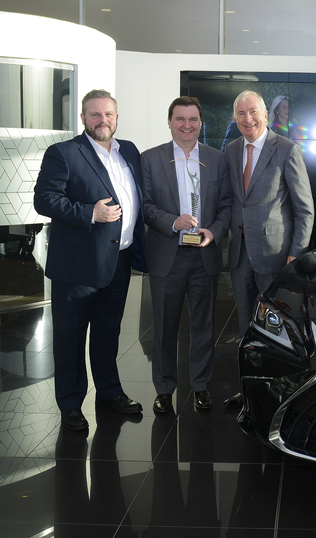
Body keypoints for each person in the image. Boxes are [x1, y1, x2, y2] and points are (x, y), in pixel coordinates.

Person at [34, 89, 147, 431]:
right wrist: (89, 212)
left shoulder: (128, 150)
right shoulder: (65, 153)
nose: (103, 121)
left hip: (118, 261)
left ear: (117, 117)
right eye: (95, 115)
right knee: (70, 338)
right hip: (76, 267)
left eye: (108, 114)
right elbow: (44, 199)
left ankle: (109, 393)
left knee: (108, 334)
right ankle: (70, 404)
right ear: (83, 118)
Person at [223, 90, 314, 408]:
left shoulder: (287, 149)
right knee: (246, 327)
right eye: (240, 114)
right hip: (239, 254)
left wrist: (295, 255)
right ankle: (249, 393)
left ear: (265, 113)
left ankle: (280, 396)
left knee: (279, 329)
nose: (248, 119)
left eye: (253, 112)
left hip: (276, 256)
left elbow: (305, 209)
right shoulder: (232, 150)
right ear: (234, 119)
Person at [141, 96, 232, 413]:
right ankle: (164, 390)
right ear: (169, 122)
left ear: (200, 124)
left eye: (193, 119)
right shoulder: (150, 159)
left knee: (204, 327)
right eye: (180, 119)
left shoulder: (217, 160)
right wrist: (172, 221)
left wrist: (214, 232)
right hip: (168, 255)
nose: (187, 125)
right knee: (164, 328)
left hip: (203, 256)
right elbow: (146, 207)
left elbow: (226, 207)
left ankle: (201, 387)